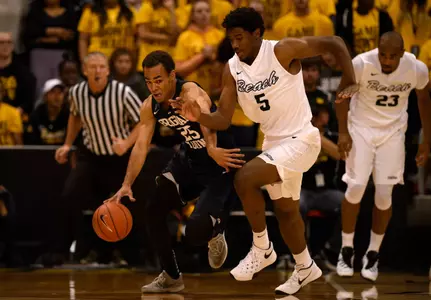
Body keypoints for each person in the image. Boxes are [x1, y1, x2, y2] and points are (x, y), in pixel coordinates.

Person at [170, 7, 357, 295]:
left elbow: (335, 43)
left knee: (244, 178)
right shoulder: (232, 68)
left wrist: (350, 78)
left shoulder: (282, 51)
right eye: (231, 40)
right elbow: (222, 118)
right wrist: (198, 117)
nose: (235, 45)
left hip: (302, 139)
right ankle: (306, 266)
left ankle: (261, 248)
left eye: (240, 38)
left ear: (257, 33)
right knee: (285, 210)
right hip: (272, 142)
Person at [106, 50, 242, 293]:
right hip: (190, 159)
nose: (153, 87)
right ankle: (171, 275)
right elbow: (140, 146)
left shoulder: (189, 92)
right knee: (153, 209)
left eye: (158, 80)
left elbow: (206, 114)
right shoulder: (150, 106)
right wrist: (126, 184)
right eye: (148, 81)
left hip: (220, 161)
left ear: (171, 76)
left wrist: (211, 147)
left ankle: (216, 230)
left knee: (195, 233)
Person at [335, 31, 431, 282]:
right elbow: (341, 96)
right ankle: (346, 249)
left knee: (384, 194)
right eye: (383, 55)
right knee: (355, 187)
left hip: (393, 133)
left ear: (402, 54)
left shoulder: (416, 69)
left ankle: (373, 253)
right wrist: (343, 132)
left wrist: (426, 142)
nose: (386, 61)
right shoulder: (362, 64)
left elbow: (424, 101)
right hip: (361, 129)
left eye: (392, 57)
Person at [52, 52, 142, 265]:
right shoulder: (76, 92)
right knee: (70, 195)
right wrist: (67, 144)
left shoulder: (122, 92)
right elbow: (75, 116)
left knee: (124, 205)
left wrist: (126, 143)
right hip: (91, 157)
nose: (97, 71)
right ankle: (80, 249)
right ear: (85, 71)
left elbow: (143, 122)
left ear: (108, 70)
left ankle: (128, 255)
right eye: (93, 67)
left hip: (120, 159)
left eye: (101, 67)